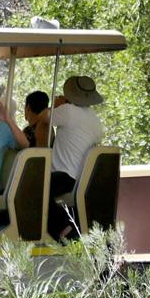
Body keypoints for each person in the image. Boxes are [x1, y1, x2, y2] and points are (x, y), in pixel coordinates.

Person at [48, 75, 105, 240]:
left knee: (35, 189)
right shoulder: (95, 119)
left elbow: (42, 118)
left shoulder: (68, 111)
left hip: (65, 176)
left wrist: (57, 106)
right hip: (83, 179)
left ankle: (64, 227)